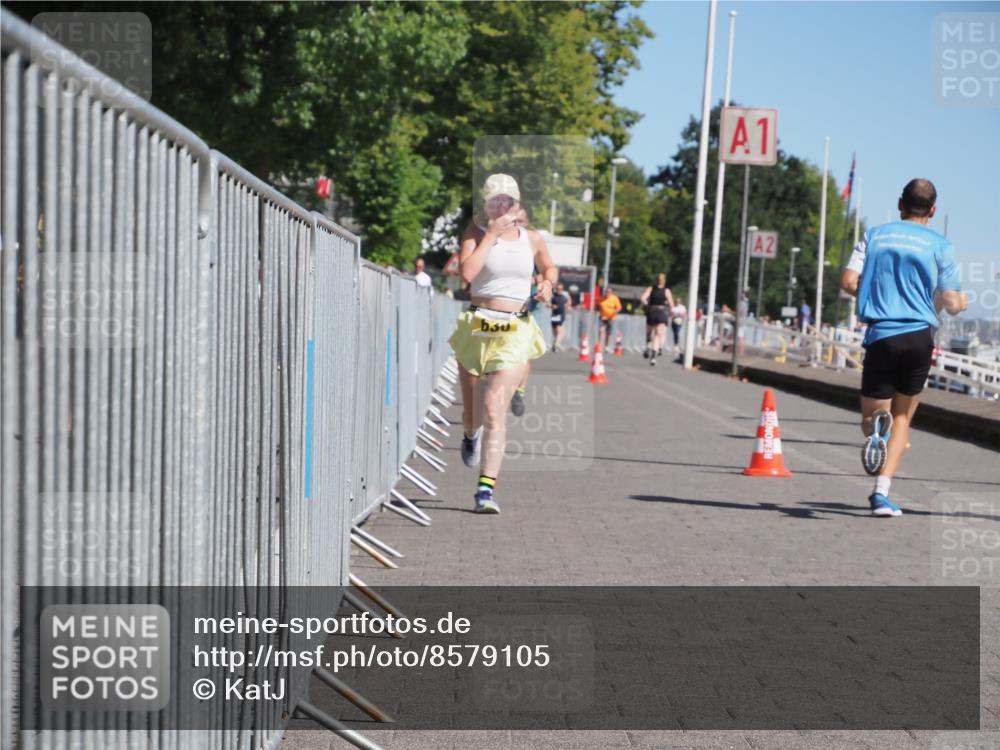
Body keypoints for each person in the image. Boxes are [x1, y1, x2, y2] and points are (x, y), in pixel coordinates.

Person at [839, 178, 967, 517]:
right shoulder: (941, 245)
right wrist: (961, 303)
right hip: (919, 337)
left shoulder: (874, 236)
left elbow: (848, 281)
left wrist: (876, 293)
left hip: (881, 334)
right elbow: (951, 302)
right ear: (933, 211)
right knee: (903, 418)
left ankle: (875, 432)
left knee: (871, 418)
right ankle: (881, 494)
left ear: (900, 204)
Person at [450, 174, 556, 514]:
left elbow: (549, 267)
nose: (503, 206)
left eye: (509, 201)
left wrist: (548, 283)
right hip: (477, 325)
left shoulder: (532, 238)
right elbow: (467, 274)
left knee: (494, 411)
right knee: (473, 415)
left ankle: (485, 490)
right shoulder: (475, 233)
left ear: (517, 202)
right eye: (496, 201)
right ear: (486, 203)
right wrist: (492, 235)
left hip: (514, 328)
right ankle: (470, 435)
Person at [639, 273, 675, 366]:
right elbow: (671, 305)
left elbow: (643, 298)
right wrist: (671, 313)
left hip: (651, 311)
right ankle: (653, 357)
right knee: (658, 335)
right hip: (661, 312)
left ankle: (648, 346)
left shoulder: (651, 289)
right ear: (664, 281)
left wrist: (647, 305)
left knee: (649, 332)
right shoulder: (666, 291)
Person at [549, 282, 572, 351]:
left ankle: (556, 344)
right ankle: (556, 343)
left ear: (562, 289)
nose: (559, 290)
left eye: (561, 289)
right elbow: (547, 304)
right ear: (556, 289)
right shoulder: (553, 295)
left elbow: (569, 302)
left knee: (559, 330)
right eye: (558, 289)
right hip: (554, 315)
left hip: (561, 314)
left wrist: (567, 305)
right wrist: (552, 306)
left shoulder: (565, 295)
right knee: (555, 332)